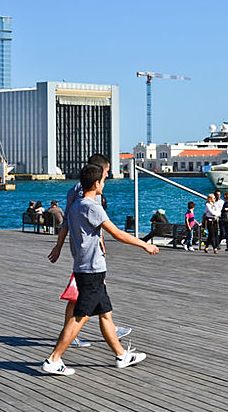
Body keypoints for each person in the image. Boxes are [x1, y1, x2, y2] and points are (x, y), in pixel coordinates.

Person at [40, 163, 159, 376]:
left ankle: (121, 355)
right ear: (96, 184)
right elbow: (117, 233)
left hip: (85, 266)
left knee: (105, 313)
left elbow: (67, 227)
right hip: (92, 269)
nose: (104, 184)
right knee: (80, 316)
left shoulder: (75, 205)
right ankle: (53, 359)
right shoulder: (92, 206)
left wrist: (58, 247)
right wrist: (145, 244)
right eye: (103, 181)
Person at [49, 153, 131, 347]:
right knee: (78, 298)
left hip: (80, 250)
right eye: (107, 171)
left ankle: (109, 327)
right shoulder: (86, 195)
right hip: (88, 253)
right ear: (99, 173)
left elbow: (67, 221)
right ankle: (67, 339)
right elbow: (91, 223)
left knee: (92, 292)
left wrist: (59, 246)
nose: (108, 175)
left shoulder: (74, 191)